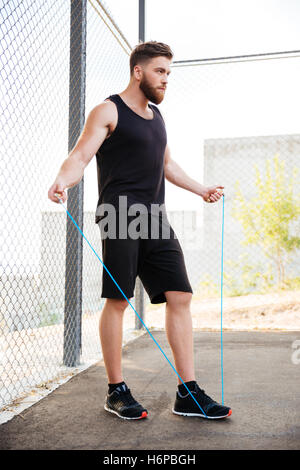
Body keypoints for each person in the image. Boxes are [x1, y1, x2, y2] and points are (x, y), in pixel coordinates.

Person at [48, 41, 231, 421]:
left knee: (180, 296)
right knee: (118, 300)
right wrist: (63, 181)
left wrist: (201, 189)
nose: (166, 79)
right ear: (138, 71)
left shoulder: (157, 118)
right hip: (118, 214)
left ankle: (188, 393)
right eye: (160, 71)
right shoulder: (108, 109)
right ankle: (116, 391)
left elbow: (168, 165)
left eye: (169, 73)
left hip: (154, 217)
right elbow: (81, 154)